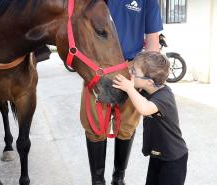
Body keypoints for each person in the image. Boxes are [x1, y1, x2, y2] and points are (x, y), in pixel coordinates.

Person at [80, 0, 163, 184]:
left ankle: (118, 179)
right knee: (94, 126)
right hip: (97, 66)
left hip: (130, 67)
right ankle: (98, 181)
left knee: (127, 127)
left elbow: (152, 39)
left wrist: (146, 75)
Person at [113, 51, 188, 185]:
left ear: (149, 82)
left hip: (173, 159)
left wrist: (129, 89)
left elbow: (145, 108)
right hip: (158, 155)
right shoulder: (148, 90)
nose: (131, 73)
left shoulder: (165, 97)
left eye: (134, 72)